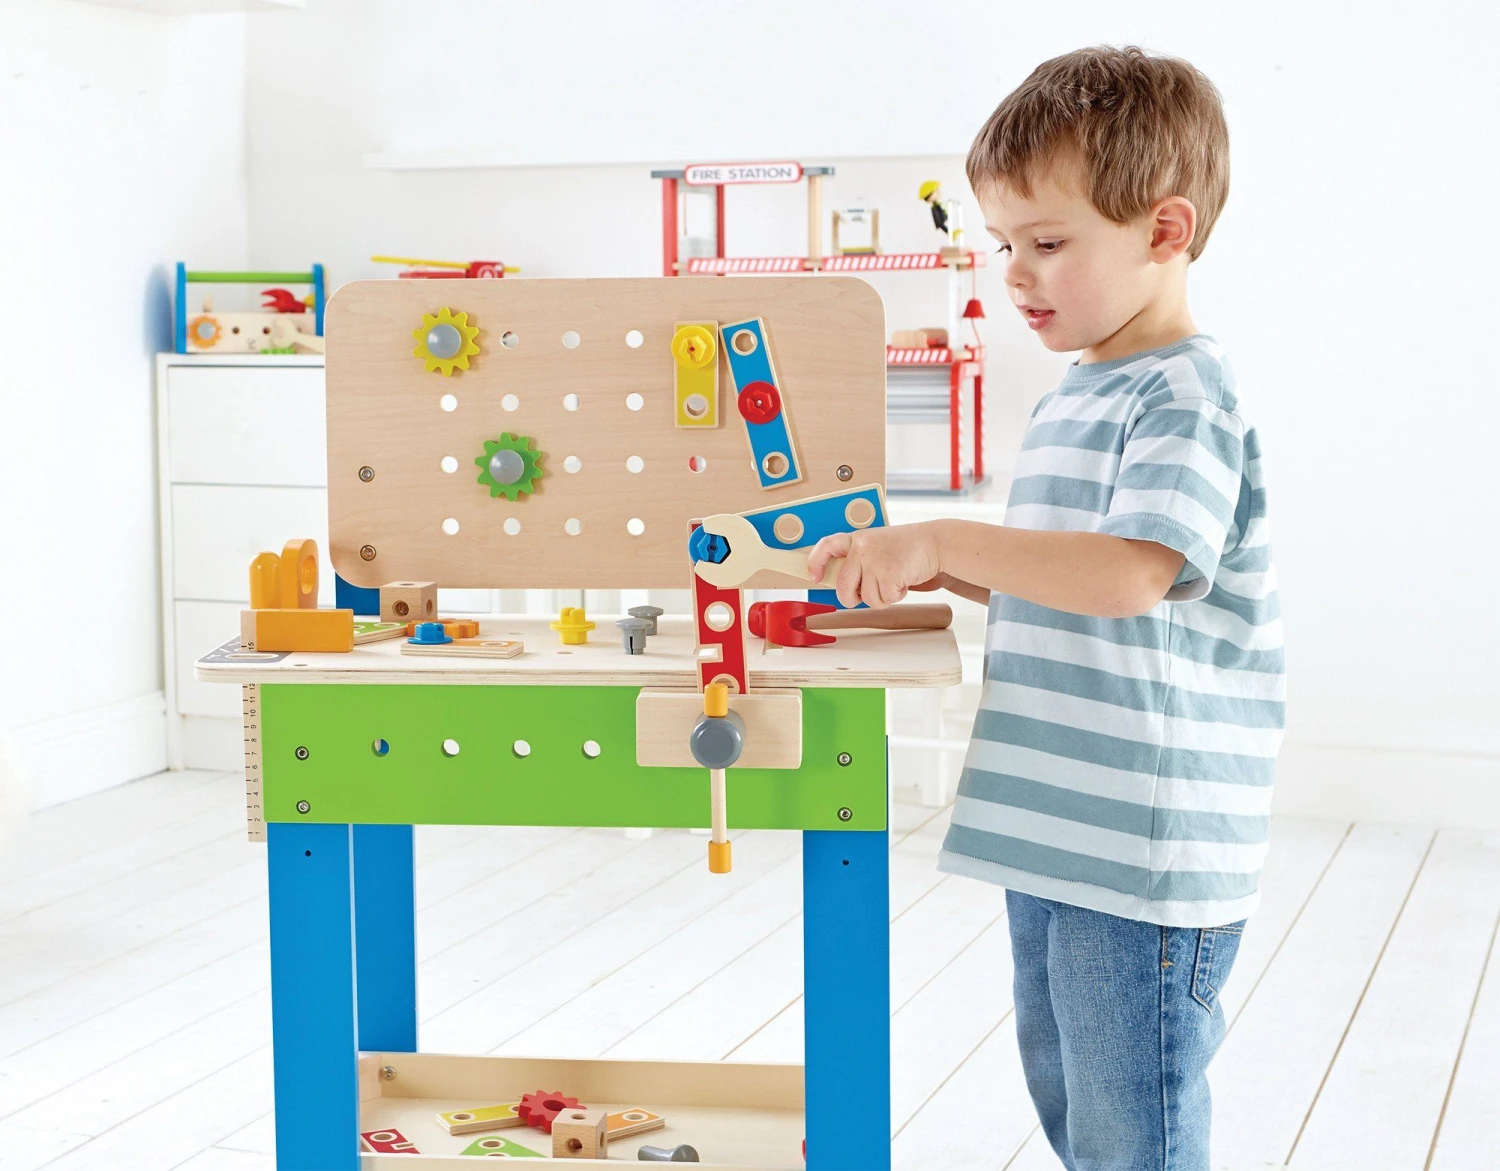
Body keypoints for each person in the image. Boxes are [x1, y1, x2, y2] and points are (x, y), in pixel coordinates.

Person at [807, 45, 1284, 1170]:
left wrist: (945, 537)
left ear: (1165, 230)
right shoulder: (1084, 391)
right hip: (1061, 823)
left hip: (1141, 839)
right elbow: (1065, 578)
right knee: (1073, 1092)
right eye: (1004, 245)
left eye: (1049, 244)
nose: (1017, 275)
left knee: (1132, 1121)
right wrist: (936, 568)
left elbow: (1128, 576)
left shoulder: (1184, 394)